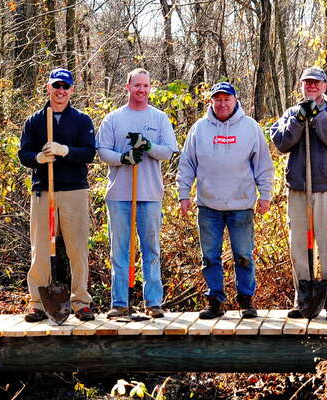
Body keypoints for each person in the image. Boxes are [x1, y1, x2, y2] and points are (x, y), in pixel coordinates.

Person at [177, 82, 274, 319]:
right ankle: (215, 301)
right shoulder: (199, 129)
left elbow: (263, 164)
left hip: (241, 205)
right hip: (208, 206)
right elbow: (187, 163)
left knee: (244, 255)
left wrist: (266, 195)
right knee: (210, 257)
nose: (222, 104)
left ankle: (246, 301)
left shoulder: (250, 127)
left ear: (235, 100)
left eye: (226, 99)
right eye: (217, 99)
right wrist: (183, 194)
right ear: (211, 101)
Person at [270, 67, 327, 321]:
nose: (312, 87)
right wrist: (299, 119)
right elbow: (282, 143)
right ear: (302, 86)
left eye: (316, 83)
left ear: (325, 86)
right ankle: (304, 300)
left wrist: (318, 116)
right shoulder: (292, 112)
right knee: (299, 248)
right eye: (307, 83)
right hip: (299, 190)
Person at [97, 68, 178, 319]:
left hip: (150, 194)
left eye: (145, 85)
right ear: (128, 87)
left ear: (150, 88)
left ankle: (153, 303)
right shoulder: (113, 119)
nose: (141, 90)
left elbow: (168, 151)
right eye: (137, 85)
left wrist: (147, 145)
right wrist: (124, 158)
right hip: (119, 195)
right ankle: (120, 303)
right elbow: (102, 151)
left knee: (151, 250)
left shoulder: (159, 118)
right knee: (120, 251)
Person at [18, 68, 96, 322]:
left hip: (74, 191)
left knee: (77, 249)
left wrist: (65, 150)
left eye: (65, 86)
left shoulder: (82, 120)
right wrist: (38, 158)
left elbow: (89, 153)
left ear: (72, 90)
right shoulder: (35, 121)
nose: (60, 91)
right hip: (44, 191)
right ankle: (38, 304)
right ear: (48, 88)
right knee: (40, 249)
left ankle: (81, 302)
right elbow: (23, 154)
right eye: (56, 86)